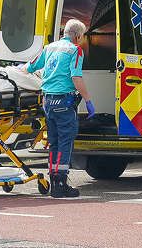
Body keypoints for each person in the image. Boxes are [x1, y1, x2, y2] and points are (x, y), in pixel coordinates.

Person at [26, 19, 95, 198]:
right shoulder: (75, 50)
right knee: (65, 142)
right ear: (78, 36)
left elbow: (31, 66)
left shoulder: (50, 47)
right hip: (64, 101)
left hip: (48, 101)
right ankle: (60, 184)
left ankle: (54, 181)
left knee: (54, 142)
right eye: (82, 37)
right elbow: (76, 77)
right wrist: (88, 100)